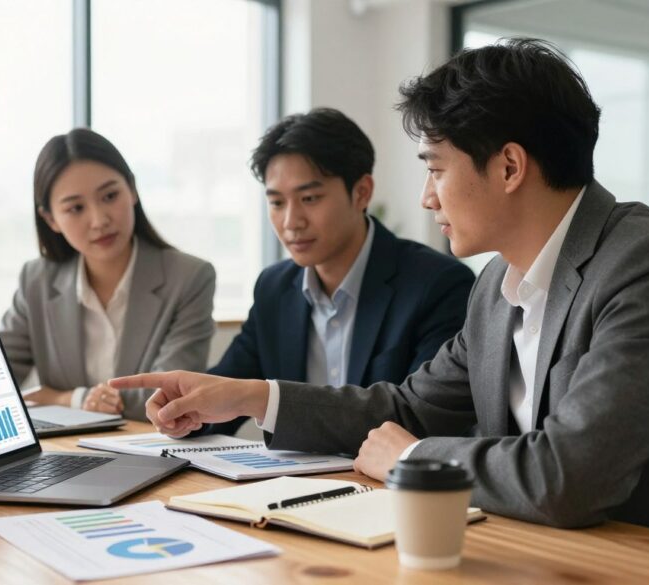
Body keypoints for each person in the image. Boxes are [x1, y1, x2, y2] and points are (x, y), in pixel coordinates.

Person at [111, 39, 649, 548]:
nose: (426, 198)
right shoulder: (496, 286)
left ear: (509, 166)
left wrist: (414, 458)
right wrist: (248, 394)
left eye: (436, 169)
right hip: (540, 553)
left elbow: (571, 475)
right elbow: (409, 405)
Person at [201, 107, 475, 435]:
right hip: (286, 482)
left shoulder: (437, 284)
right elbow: (224, 394)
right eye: (276, 203)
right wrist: (181, 410)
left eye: (310, 198)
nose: (291, 222)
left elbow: (424, 418)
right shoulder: (274, 288)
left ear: (361, 192)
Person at [0, 128, 216, 421]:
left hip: (151, 452)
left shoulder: (189, 278)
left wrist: (56, 397)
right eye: (76, 208)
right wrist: (75, 398)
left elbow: (168, 397)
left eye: (110, 196)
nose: (99, 220)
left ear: (133, 190)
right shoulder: (36, 281)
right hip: (66, 453)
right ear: (51, 219)